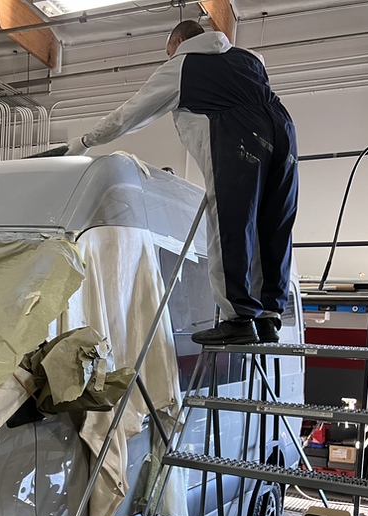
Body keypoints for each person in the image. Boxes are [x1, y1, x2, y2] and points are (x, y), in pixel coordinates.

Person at [67, 20, 298, 346]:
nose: (169, 57)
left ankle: (238, 319)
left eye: (168, 51)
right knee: (273, 225)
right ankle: (269, 317)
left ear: (177, 41)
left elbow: (128, 115)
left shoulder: (182, 65)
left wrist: (85, 141)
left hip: (237, 137)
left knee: (230, 223)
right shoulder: (250, 59)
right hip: (283, 132)